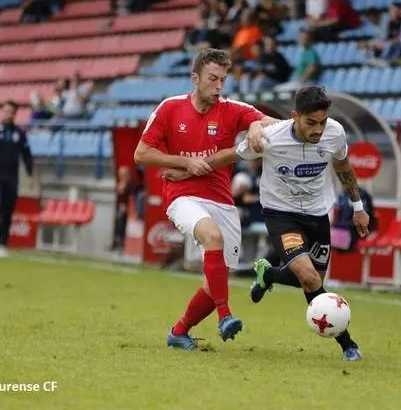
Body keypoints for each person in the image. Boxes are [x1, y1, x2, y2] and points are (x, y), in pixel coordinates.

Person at [164, 86, 370, 361]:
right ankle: (348, 344)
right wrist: (187, 169)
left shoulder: (335, 133)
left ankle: (269, 274)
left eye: (322, 122)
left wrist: (358, 207)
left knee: (314, 280)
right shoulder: (270, 138)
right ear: (295, 116)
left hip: (318, 213)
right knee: (308, 278)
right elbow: (228, 155)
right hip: (281, 215)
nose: (318, 130)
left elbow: (343, 166)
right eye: (311, 123)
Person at [134, 48, 279, 350]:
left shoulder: (232, 108)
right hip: (182, 196)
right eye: (212, 79)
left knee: (216, 283)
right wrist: (184, 163)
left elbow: (273, 123)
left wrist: (254, 124)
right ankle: (225, 317)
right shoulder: (170, 108)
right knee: (213, 238)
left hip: (222, 201)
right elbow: (141, 154)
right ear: (195, 78)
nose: (218, 86)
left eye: (223, 80)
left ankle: (178, 331)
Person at [0, 101, 35, 257]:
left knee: (7, 211)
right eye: (6, 111)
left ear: (15, 114)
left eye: (11, 112)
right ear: (1, 112)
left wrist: (30, 174)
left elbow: (26, 154)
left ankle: (3, 244)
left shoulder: (19, 133)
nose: (8, 114)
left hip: (12, 178)